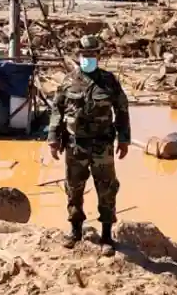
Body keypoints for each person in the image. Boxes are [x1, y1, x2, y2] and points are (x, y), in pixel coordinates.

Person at [47, 40, 131, 251]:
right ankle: (75, 231)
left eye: (92, 54)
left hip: (102, 145)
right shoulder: (68, 81)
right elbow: (57, 110)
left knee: (107, 189)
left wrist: (124, 139)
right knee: (74, 188)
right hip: (76, 146)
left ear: (98, 55)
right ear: (78, 55)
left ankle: (106, 237)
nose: (88, 58)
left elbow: (122, 109)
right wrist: (53, 139)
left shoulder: (108, 81)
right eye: (84, 54)